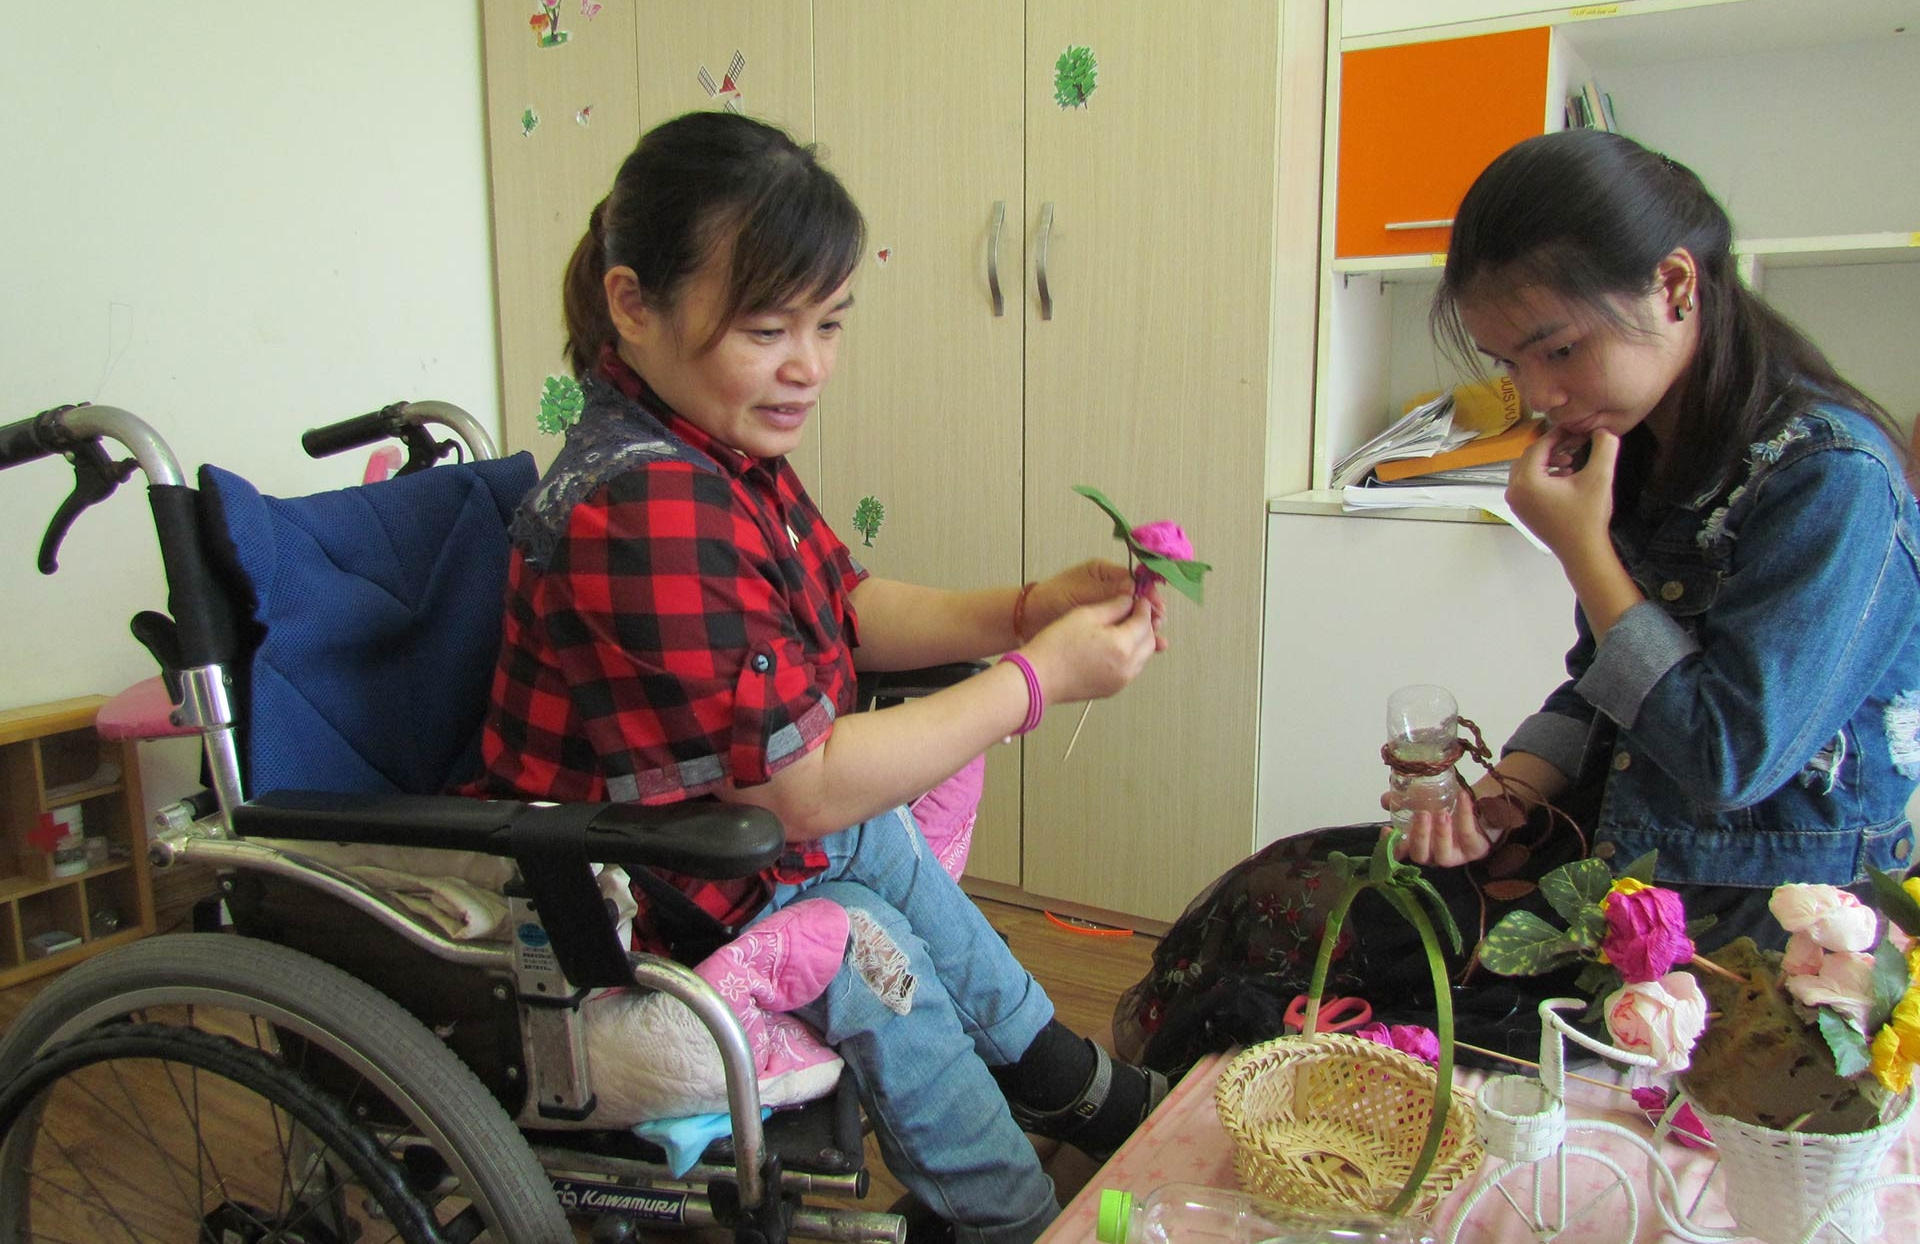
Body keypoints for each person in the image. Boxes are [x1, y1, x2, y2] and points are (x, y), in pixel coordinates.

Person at [469, 110, 1166, 1244]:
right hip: (615, 887)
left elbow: (849, 602)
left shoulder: (719, 449)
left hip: (709, 820)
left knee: (873, 836)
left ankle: (1054, 1072)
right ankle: (1015, 1208)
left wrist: (1028, 606)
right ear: (632, 304)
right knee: (860, 925)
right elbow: (800, 788)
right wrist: (1036, 680)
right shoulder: (641, 501)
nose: (809, 366)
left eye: (830, 324)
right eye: (769, 327)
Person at [1116, 128, 1920, 1079]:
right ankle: (1116, 1115)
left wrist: (1581, 546)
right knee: (1280, 897)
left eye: (1560, 349)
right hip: (1615, 850)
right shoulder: (1644, 445)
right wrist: (1506, 794)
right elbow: (1602, 687)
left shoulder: (1833, 479)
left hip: (1751, 918)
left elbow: (1726, 756)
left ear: (1675, 287)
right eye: (1514, 366)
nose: (1541, 395)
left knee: (1331, 1007)